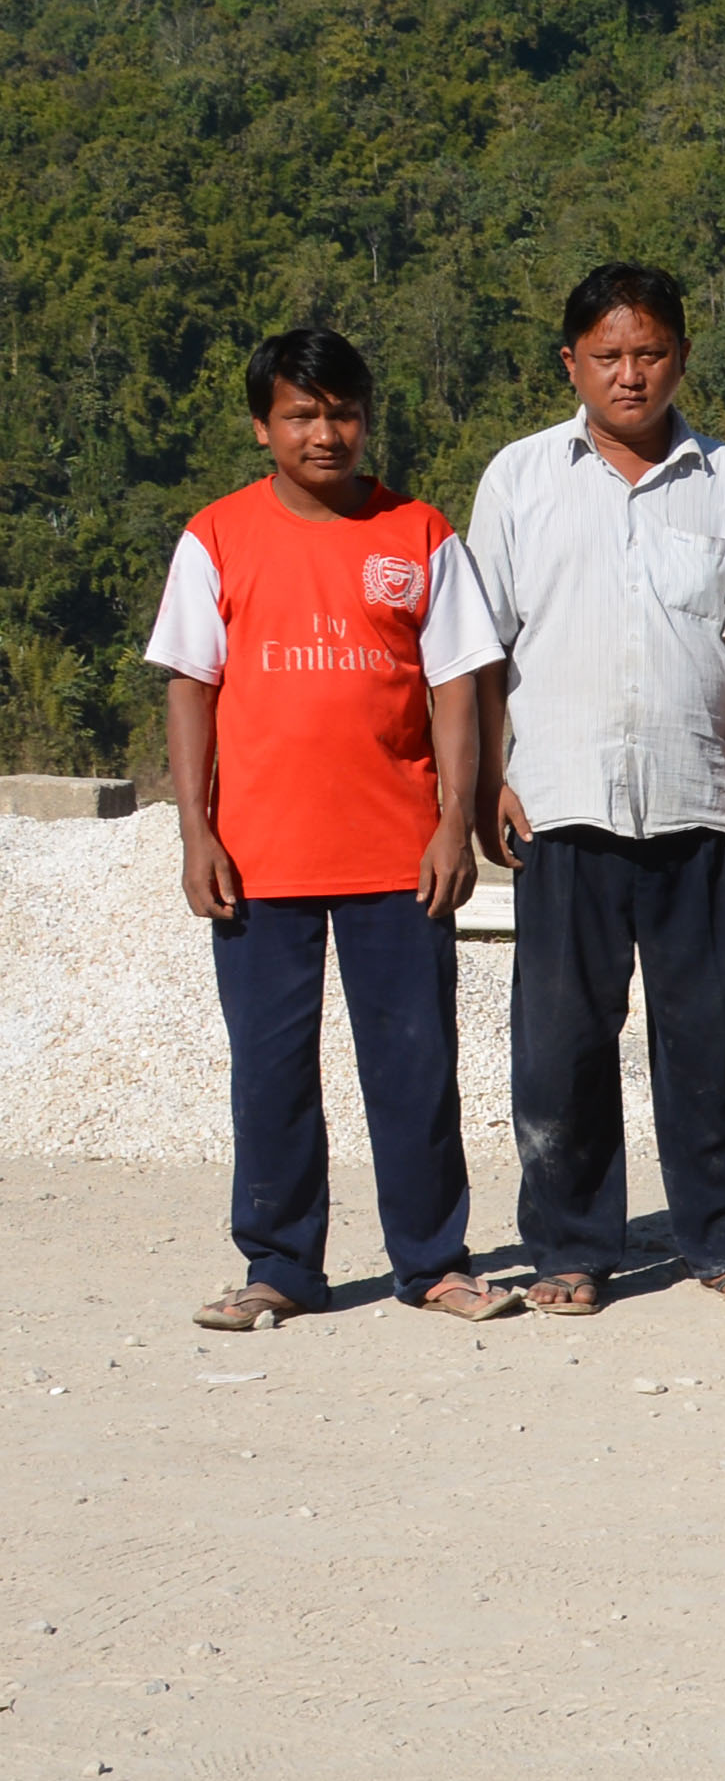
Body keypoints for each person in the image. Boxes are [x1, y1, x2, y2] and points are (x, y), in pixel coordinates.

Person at [151, 328, 521, 1329]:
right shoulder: (216, 538)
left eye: (344, 411)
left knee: (413, 1064)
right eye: (303, 415)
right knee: (270, 1069)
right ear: (262, 426)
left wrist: (454, 821)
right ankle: (280, 1266)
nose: (327, 433)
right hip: (258, 856)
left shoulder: (419, 533)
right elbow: (192, 689)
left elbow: (456, 686)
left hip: (397, 855)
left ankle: (434, 1262)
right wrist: (197, 831)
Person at [467, 262, 725, 1320]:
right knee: (561, 1044)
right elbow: (482, 648)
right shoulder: (519, 478)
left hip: (698, 804)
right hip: (559, 802)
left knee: (714, 1039)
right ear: (572, 363)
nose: (630, 373)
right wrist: (489, 781)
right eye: (608, 355)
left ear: (682, 356)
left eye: (649, 352)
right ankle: (571, 1244)